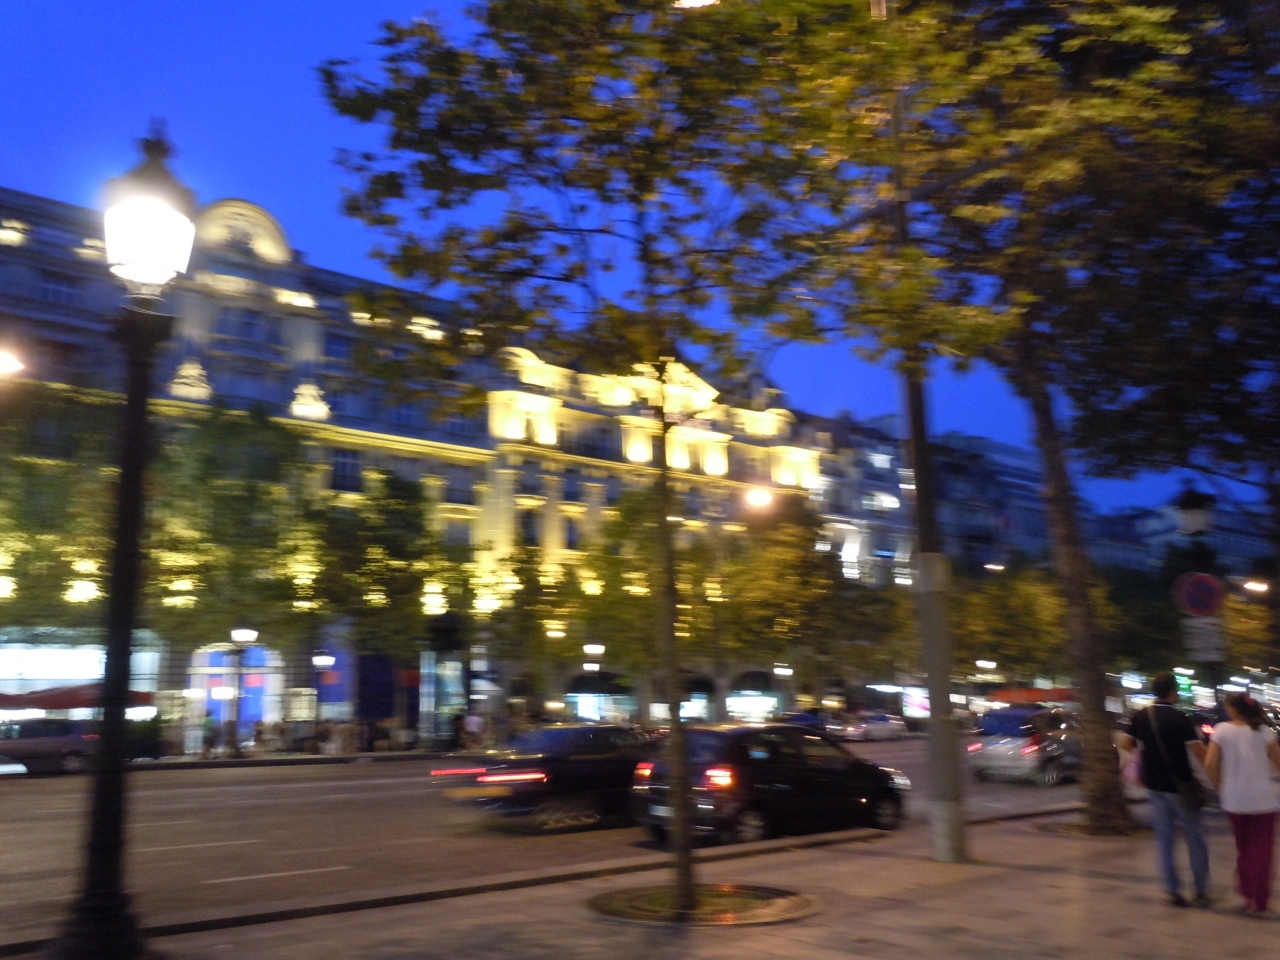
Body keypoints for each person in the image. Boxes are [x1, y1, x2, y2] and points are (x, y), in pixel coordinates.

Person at [1124, 671, 1211, 907]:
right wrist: (1215, 773)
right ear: (1173, 692)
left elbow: (1126, 742)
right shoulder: (1180, 718)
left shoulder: (1141, 716)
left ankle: (1172, 889)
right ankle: (1200, 891)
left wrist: (1143, 756)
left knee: (1164, 839)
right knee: (1194, 837)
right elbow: (1198, 751)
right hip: (1180, 785)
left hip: (1154, 785)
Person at [1205, 692, 1280, 916]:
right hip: (1264, 801)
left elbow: (1210, 763)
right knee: (1263, 852)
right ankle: (1260, 901)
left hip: (1234, 801)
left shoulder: (1221, 730)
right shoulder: (1264, 731)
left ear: (1234, 709)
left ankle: (1248, 896)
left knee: (1244, 850)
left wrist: (1218, 786)